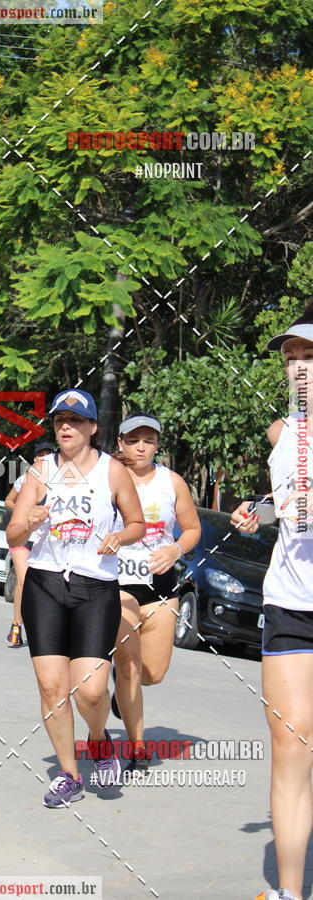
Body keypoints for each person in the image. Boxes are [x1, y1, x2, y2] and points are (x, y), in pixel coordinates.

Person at [7, 389, 145, 807]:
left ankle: (100, 740)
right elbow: (12, 533)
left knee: (90, 691)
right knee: (52, 688)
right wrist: (28, 523)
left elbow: (138, 523)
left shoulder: (112, 472)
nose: (65, 427)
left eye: (75, 420)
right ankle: (68, 775)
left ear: (92, 428)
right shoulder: (40, 471)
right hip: (45, 584)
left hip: (94, 588)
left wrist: (120, 536)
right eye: (58, 420)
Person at [230, 303, 313, 900]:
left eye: (311, 357)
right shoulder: (281, 436)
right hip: (288, 601)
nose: (299, 367)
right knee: (290, 742)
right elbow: (286, 503)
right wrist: (255, 514)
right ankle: (288, 893)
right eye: (291, 357)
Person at [110, 411, 201, 772]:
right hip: (117, 582)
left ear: (157, 444)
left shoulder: (172, 481)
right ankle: (136, 748)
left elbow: (192, 529)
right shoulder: (107, 477)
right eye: (133, 440)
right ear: (121, 443)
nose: (141, 447)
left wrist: (175, 549)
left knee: (153, 673)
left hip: (160, 584)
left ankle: (121, 686)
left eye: (148, 440)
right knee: (131, 666)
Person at [4, 440, 54, 647]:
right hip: (23, 537)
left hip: (45, 540)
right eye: (40, 455)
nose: (43, 458)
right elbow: (8, 501)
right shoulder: (25, 479)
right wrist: (22, 511)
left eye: (47, 454)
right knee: (25, 580)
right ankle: (17, 625)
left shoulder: (62, 482)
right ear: (34, 459)